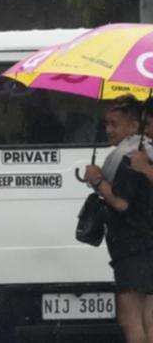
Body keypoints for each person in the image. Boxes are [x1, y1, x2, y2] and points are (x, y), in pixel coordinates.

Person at [83, 96, 153, 343]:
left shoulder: (128, 157)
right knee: (149, 321)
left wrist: (97, 180)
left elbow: (121, 203)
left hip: (133, 250)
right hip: (145, 247)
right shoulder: (144, 152)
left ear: (134, 126)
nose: (108, 129)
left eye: (115, 124)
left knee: (131, 321)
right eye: (106, 124)